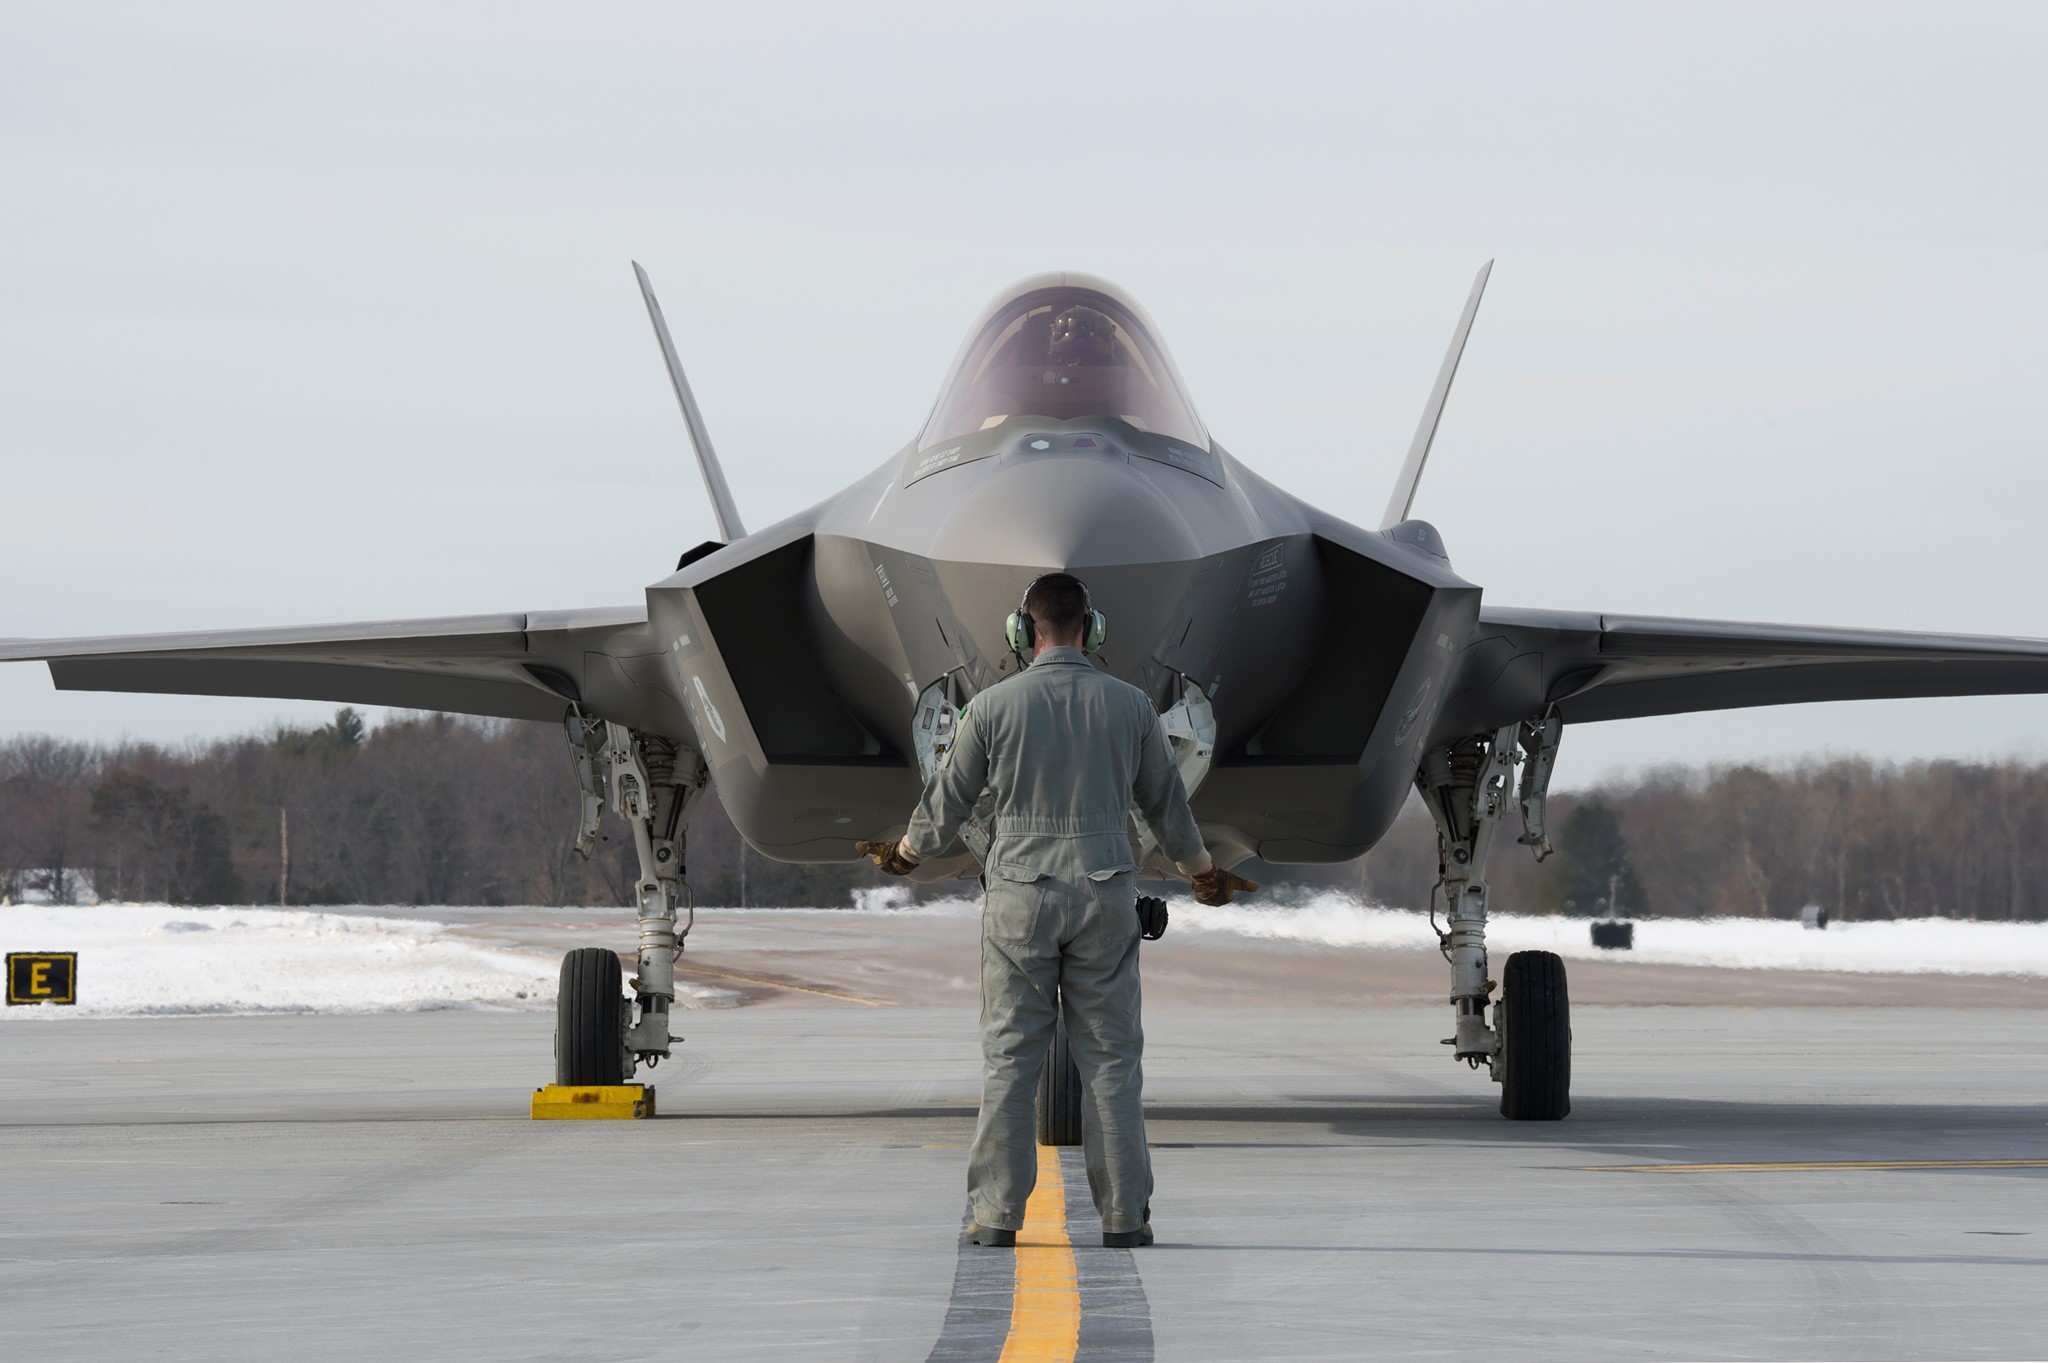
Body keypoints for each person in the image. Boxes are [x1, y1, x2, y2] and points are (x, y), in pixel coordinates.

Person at [857, 572, 1256, 1249]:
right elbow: (1168, 808)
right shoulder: (1131, 707)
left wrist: (907, 851)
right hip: (1105, 896)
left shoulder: (991, 707)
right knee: (1112, 1063)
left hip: (1019, 898)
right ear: (1091, 630)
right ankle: (1126, 1216)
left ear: (1023, 630)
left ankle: (994, 1217)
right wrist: (1203, 874)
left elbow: (949, 798)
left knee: (1010, 1062)